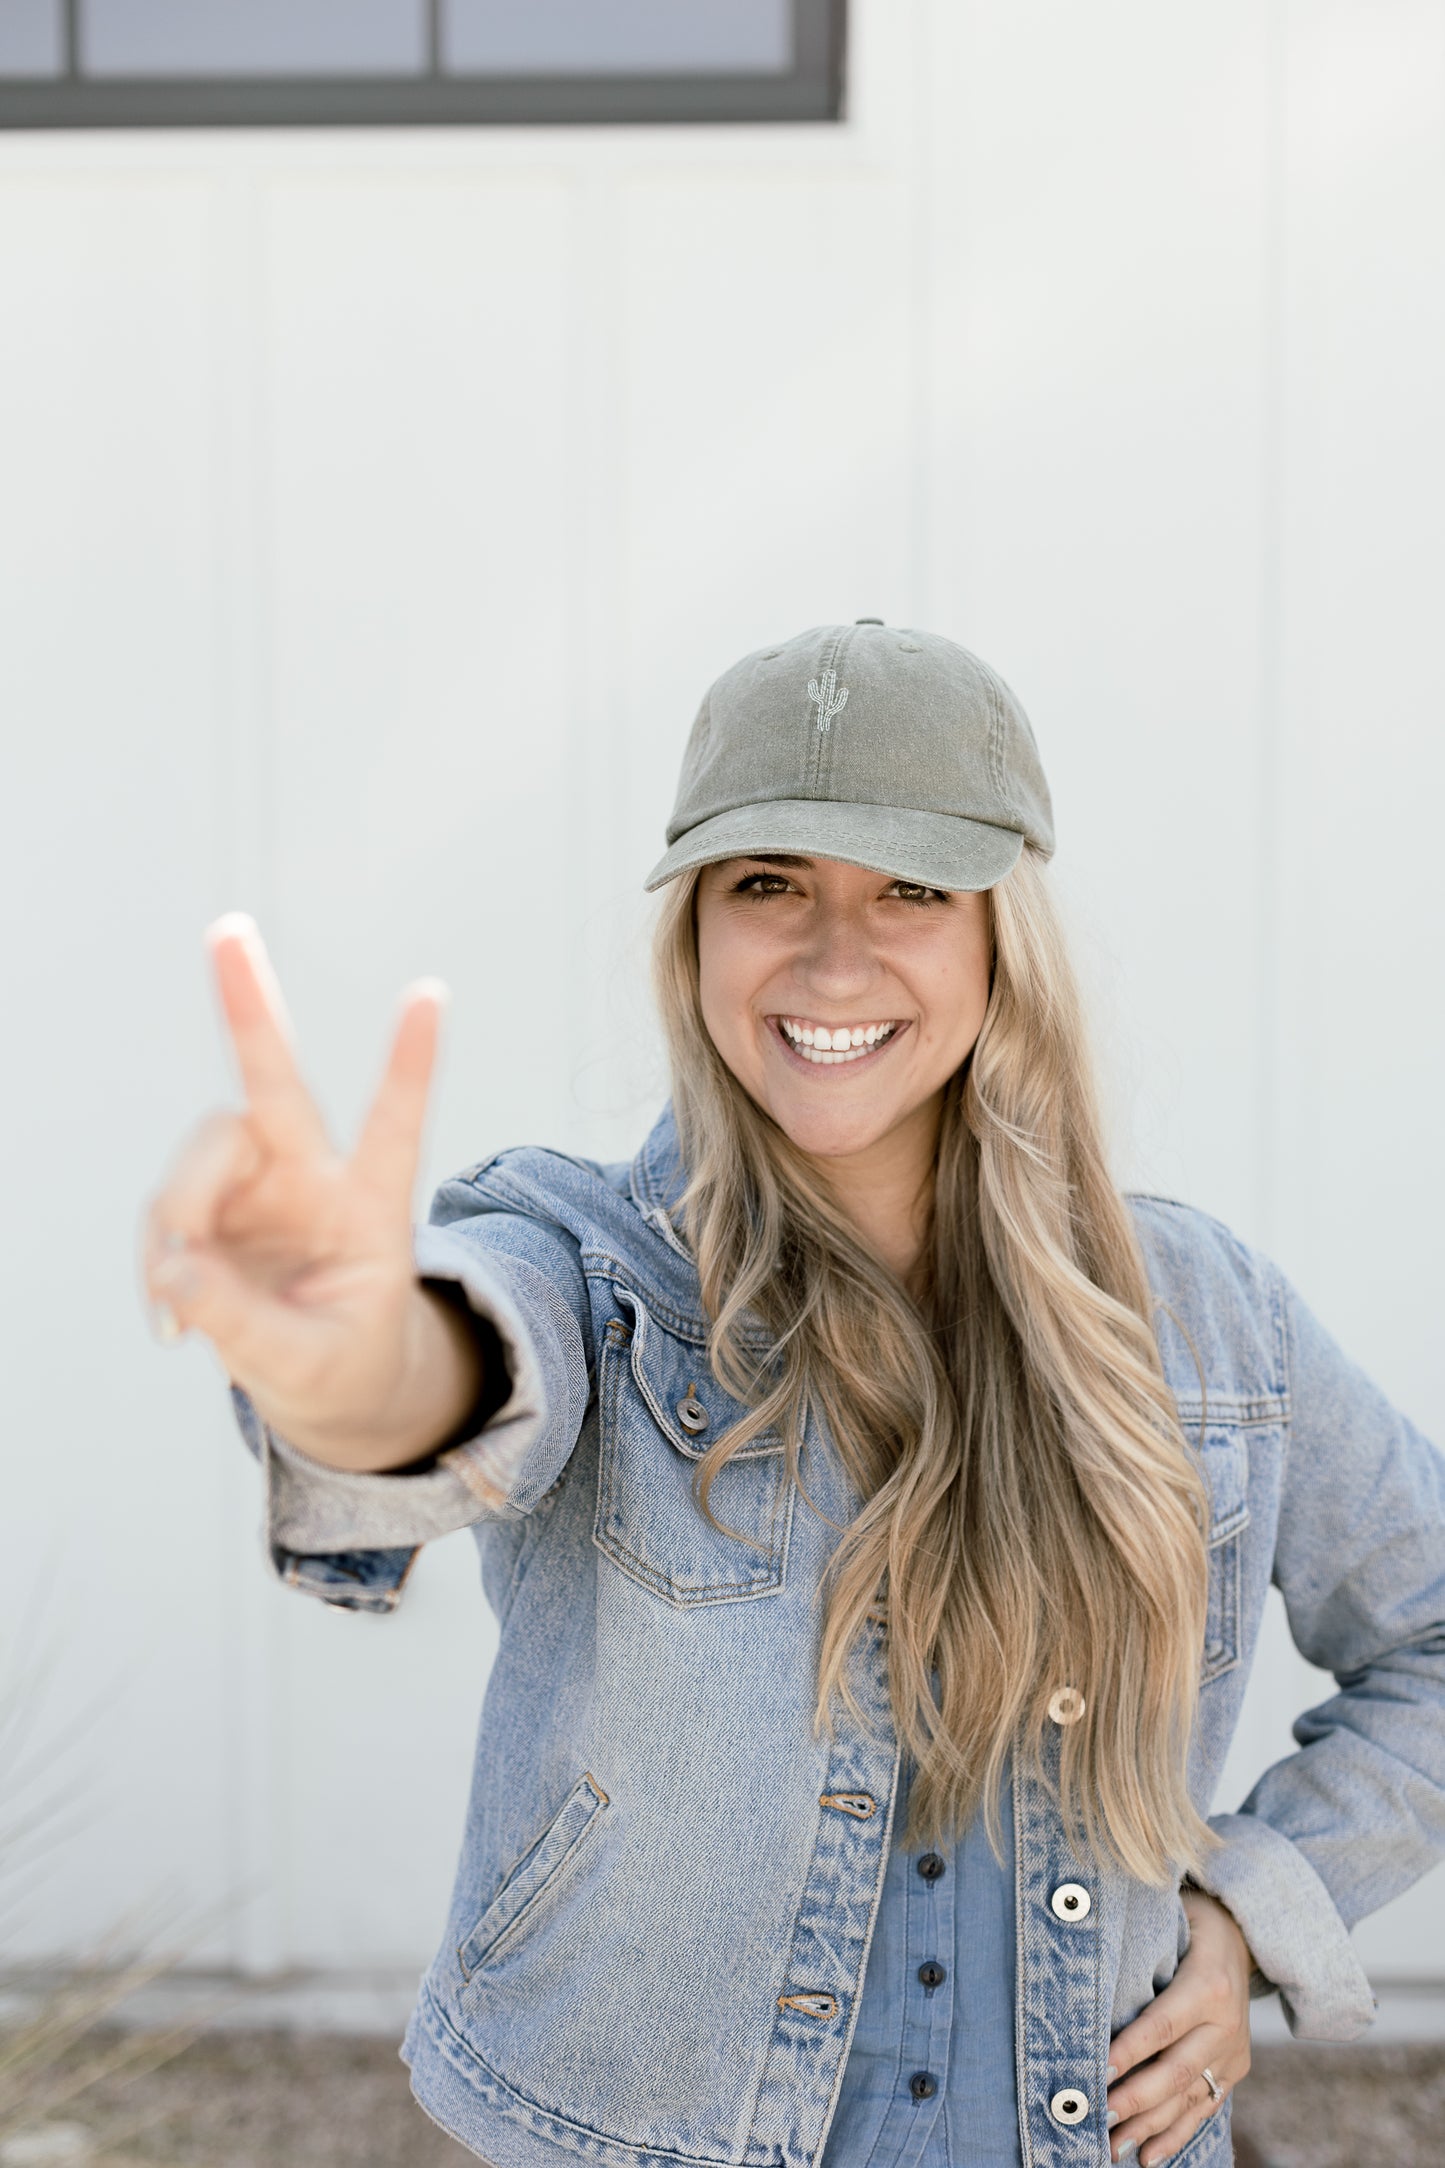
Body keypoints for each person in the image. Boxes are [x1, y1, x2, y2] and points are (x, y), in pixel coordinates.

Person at [140, 622, 1445, 2168]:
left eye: (908, 889)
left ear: (995, 938)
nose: (834, 959)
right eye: (768, 886)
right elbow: (467, 1367)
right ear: (694, 931)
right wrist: (350, 1359)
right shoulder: (594, 1263)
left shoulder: (1205, 1318)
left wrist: (1250, 1906)